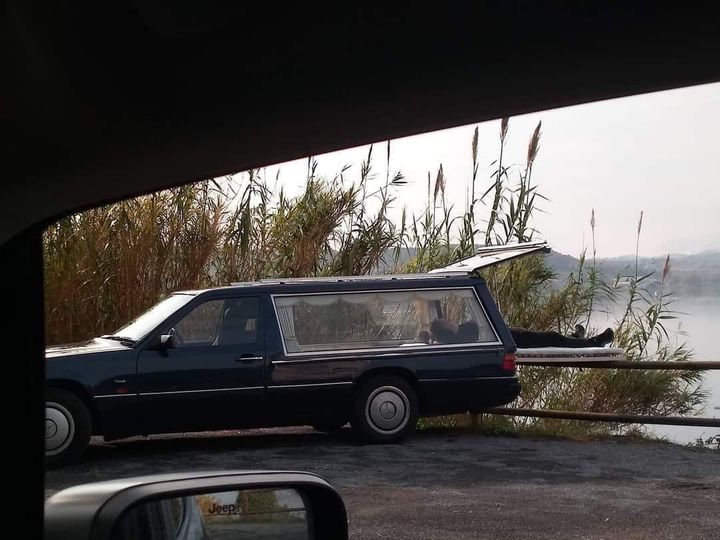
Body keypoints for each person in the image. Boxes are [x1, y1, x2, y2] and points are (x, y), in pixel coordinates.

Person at [428, 319, 614, 348]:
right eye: (446, 321)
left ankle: (575, 339)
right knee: (551, 337)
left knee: (551, 337)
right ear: (445, 329)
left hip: (508, 335)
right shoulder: (459, 336)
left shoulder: (459, 333)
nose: (450, 320)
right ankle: (595, 342)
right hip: (510, 341)